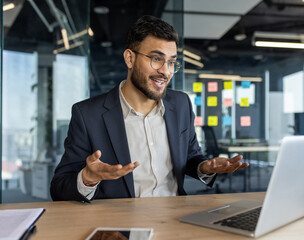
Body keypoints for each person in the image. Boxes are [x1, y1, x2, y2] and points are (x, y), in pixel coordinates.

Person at [50, 15, 248, 202]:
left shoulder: (181, 104)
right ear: (130, 58)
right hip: (120, 225)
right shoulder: (88, 115)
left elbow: (190, 157)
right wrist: (87, 178)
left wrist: (204, 167)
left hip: (175, 219)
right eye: (156, 59)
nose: (165, 71)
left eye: (171, 62)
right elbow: (59, 188)